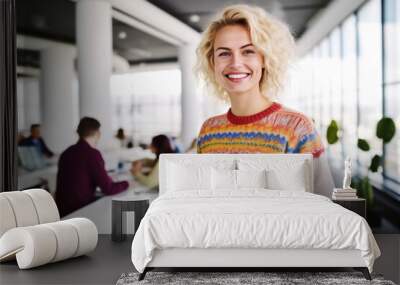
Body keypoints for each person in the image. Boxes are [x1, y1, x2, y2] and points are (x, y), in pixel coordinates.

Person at [195, 5, 334, 197]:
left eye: (248, 51)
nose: (235, 63)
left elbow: (324, 204)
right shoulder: (209, 132)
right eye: (224, 53)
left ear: (264, 59)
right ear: (213, 63)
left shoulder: (297, 128)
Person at [55, 117, 129, 216]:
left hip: (61, 210)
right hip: (79, 211)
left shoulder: (66, 152)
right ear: (98, 133)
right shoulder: (92, 154)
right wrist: (127, 183)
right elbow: (108, 189)